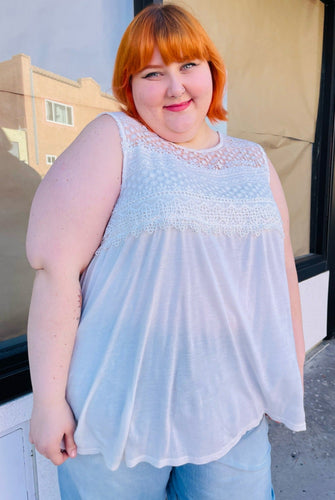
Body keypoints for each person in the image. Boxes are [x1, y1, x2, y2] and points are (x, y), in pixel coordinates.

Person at [27, 4, 306, 499]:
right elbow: (56, 270)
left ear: (212, 74)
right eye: (154, 73)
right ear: (129, 86)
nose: (175, 87)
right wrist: (48, 403)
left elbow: (280, 274)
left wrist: (289, 374)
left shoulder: (252, 160)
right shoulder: (117, 140)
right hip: (118, 416)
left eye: (188, 66)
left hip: (231, 409)